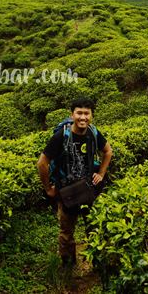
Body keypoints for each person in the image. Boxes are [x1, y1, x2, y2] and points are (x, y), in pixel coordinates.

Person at [37, 97, 113, 267]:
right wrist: (48, 188)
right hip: (67, 191)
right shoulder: (60, 137)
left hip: (88, 189)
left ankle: (97, 262)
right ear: (72, 115)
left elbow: (107, 151)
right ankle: (68, 266)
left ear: (92, 115)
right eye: (79, 113)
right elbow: (42, 163)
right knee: (66, 232)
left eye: (87, 113)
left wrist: (101, 173)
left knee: (94, 226)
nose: (83, 117)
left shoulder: (93, 132)